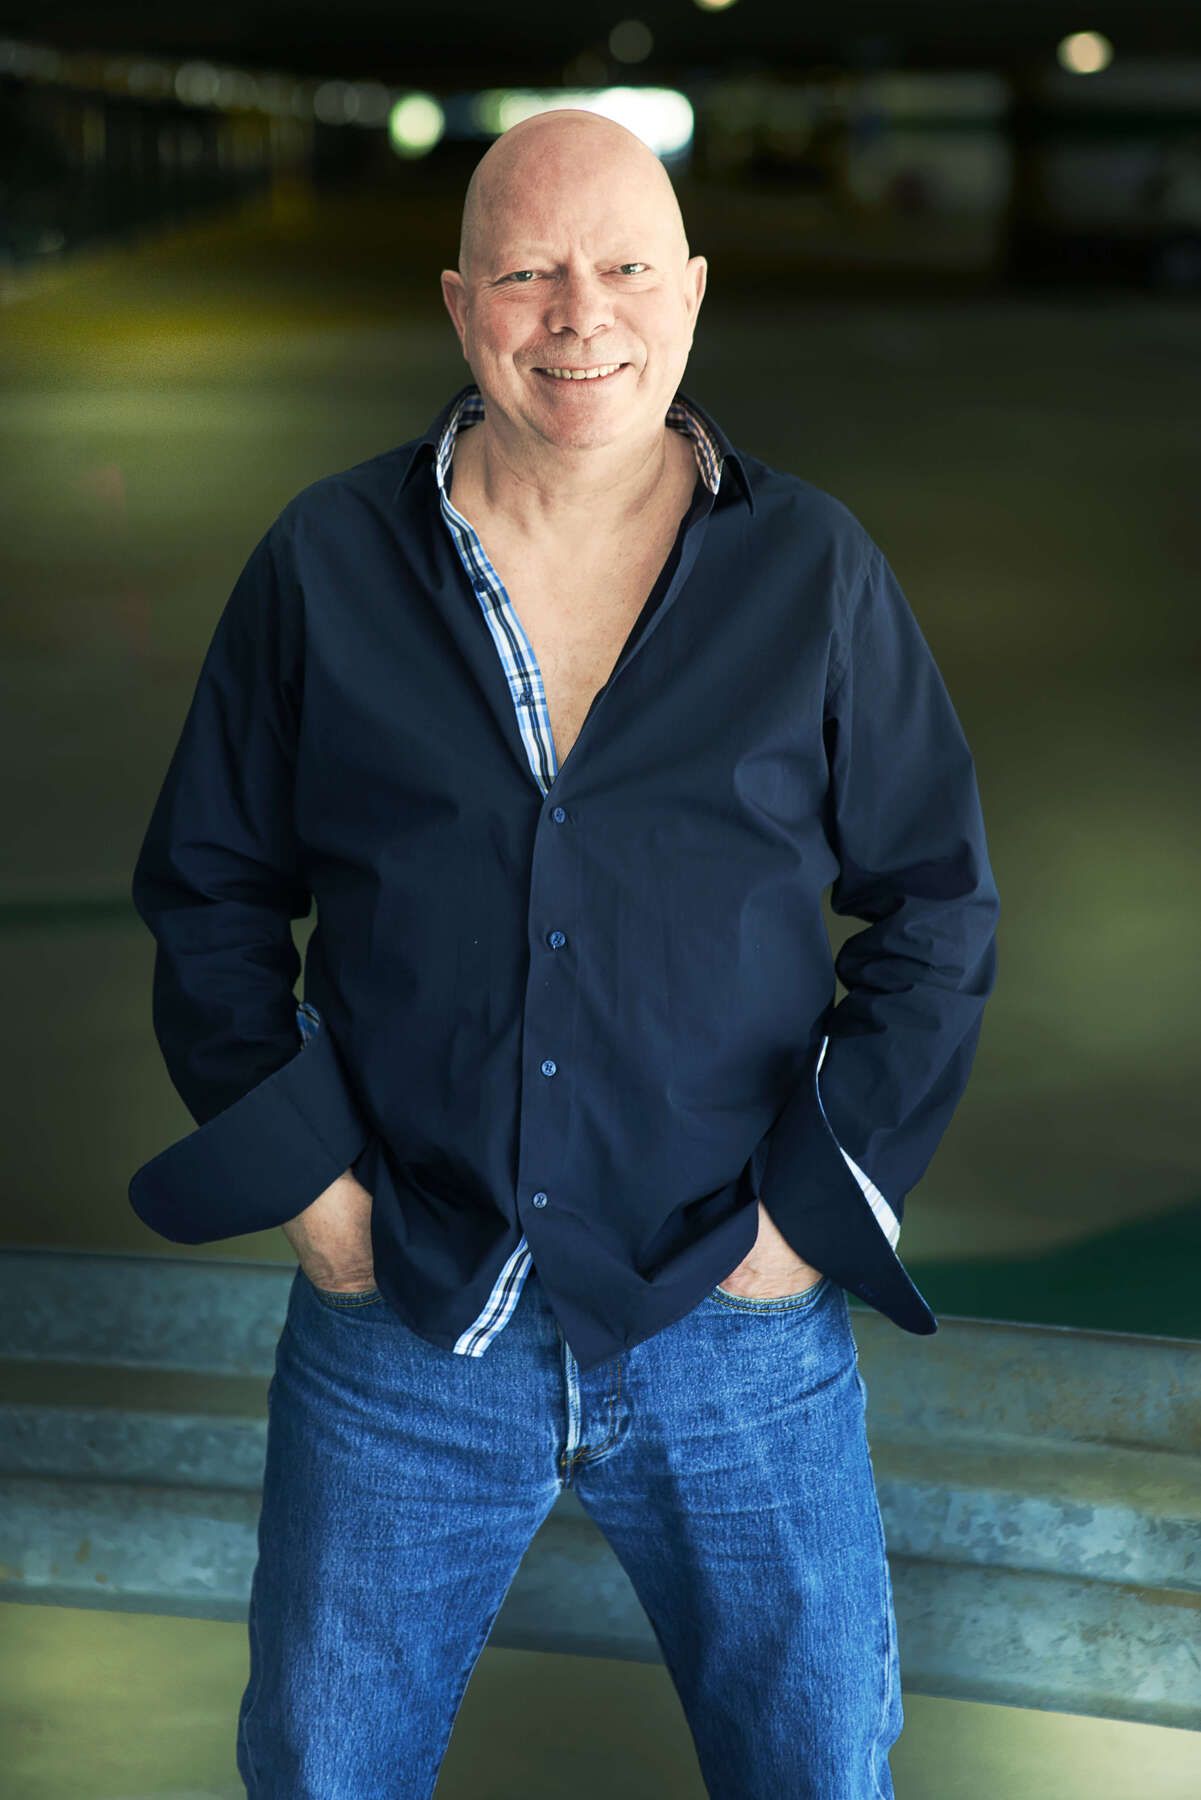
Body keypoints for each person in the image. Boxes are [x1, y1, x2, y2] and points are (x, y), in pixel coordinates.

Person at [128, 107, 999, 1798]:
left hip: (732, 1322)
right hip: (407, 1318)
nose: (578, 314)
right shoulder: (324, 562)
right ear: (462, 305)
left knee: (819, 1766)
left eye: (621, 269)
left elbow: (936, 903)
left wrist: (805, 1218)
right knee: (321, 1767)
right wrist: (316, 1192)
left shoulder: (811, 569)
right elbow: (210, 887)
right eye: (528, 272)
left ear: (690, 292)